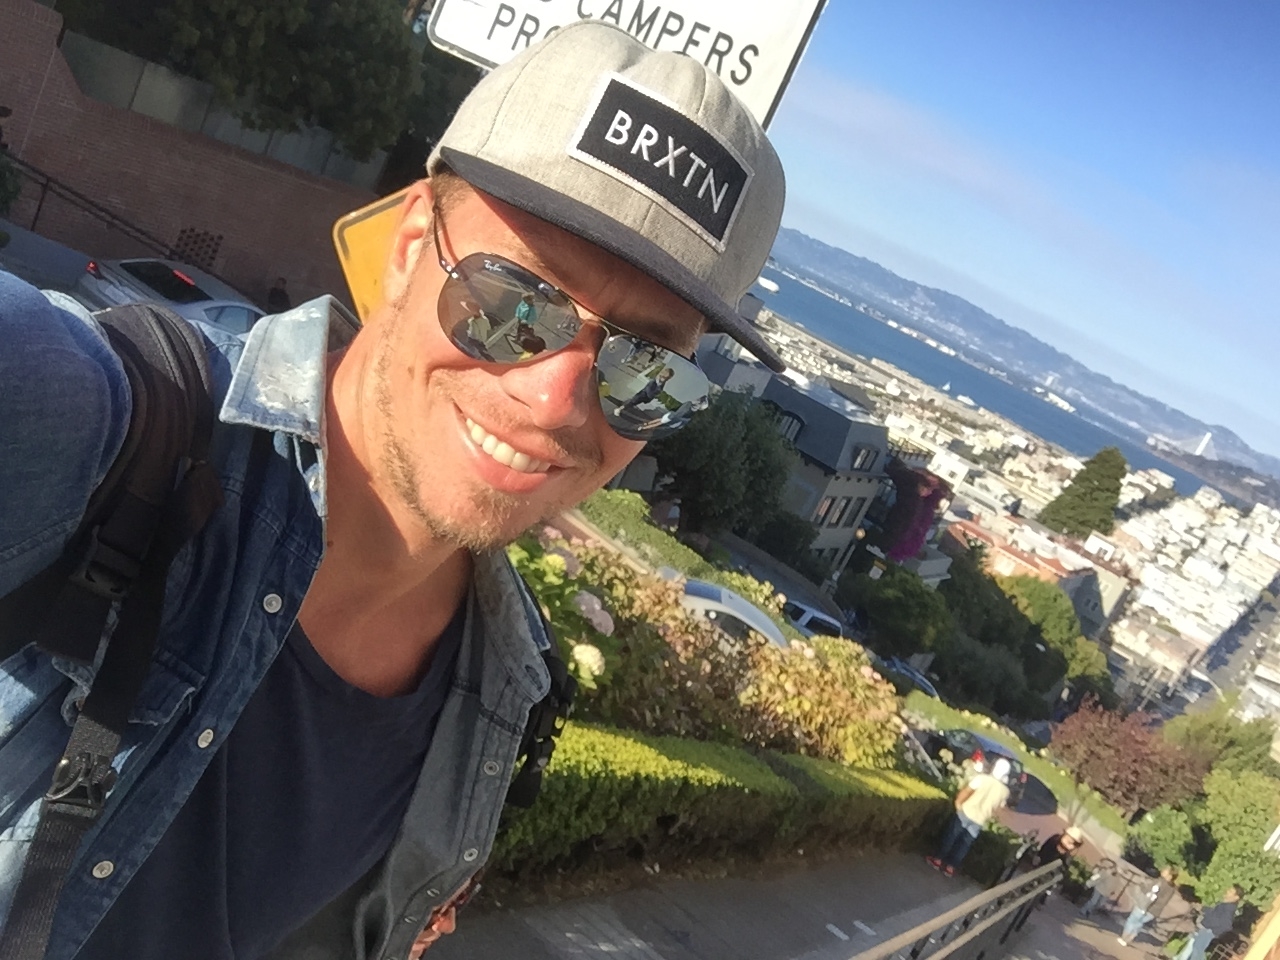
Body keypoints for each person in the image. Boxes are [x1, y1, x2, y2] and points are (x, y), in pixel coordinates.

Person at [0, 20, 786, 960]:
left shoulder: (498, 679)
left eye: (646, 366)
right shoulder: (100, 425)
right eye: (513, 299)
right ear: (411, 245)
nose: (556, 400)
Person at [927, 757, 1012, 877]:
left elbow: (967, 791)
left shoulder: (982, 778)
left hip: (966, 811)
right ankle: (950, 867)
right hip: (979, 820)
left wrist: (958, 803)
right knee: (964, 845)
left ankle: (938, 859)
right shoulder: (1005, 791)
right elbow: (998, 808)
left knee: (951, 836)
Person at [1172, 885, 1242, 960]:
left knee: (1196, 951)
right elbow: (1214, 914)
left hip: (1207, 931)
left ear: (1236, 897)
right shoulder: (1225, 905)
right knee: (1192, 947)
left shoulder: (1228, 908)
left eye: (1231, 891)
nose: (1227, 891)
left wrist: (1211, 930)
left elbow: (1226, 925)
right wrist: (1203, 908)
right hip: (1205, 930)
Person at [1118, 864, 1180, 944]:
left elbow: (1148, 890)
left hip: (1144, 905)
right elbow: (1163, 901)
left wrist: (1141, 886)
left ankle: (1124, 938)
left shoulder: (1159, 882)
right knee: (1139, 923)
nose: (1163, 870)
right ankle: (1129, 938)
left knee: (1132, 920)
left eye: (1166, 871)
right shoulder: (1172, 889)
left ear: (1170, 876)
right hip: (1155, 911)